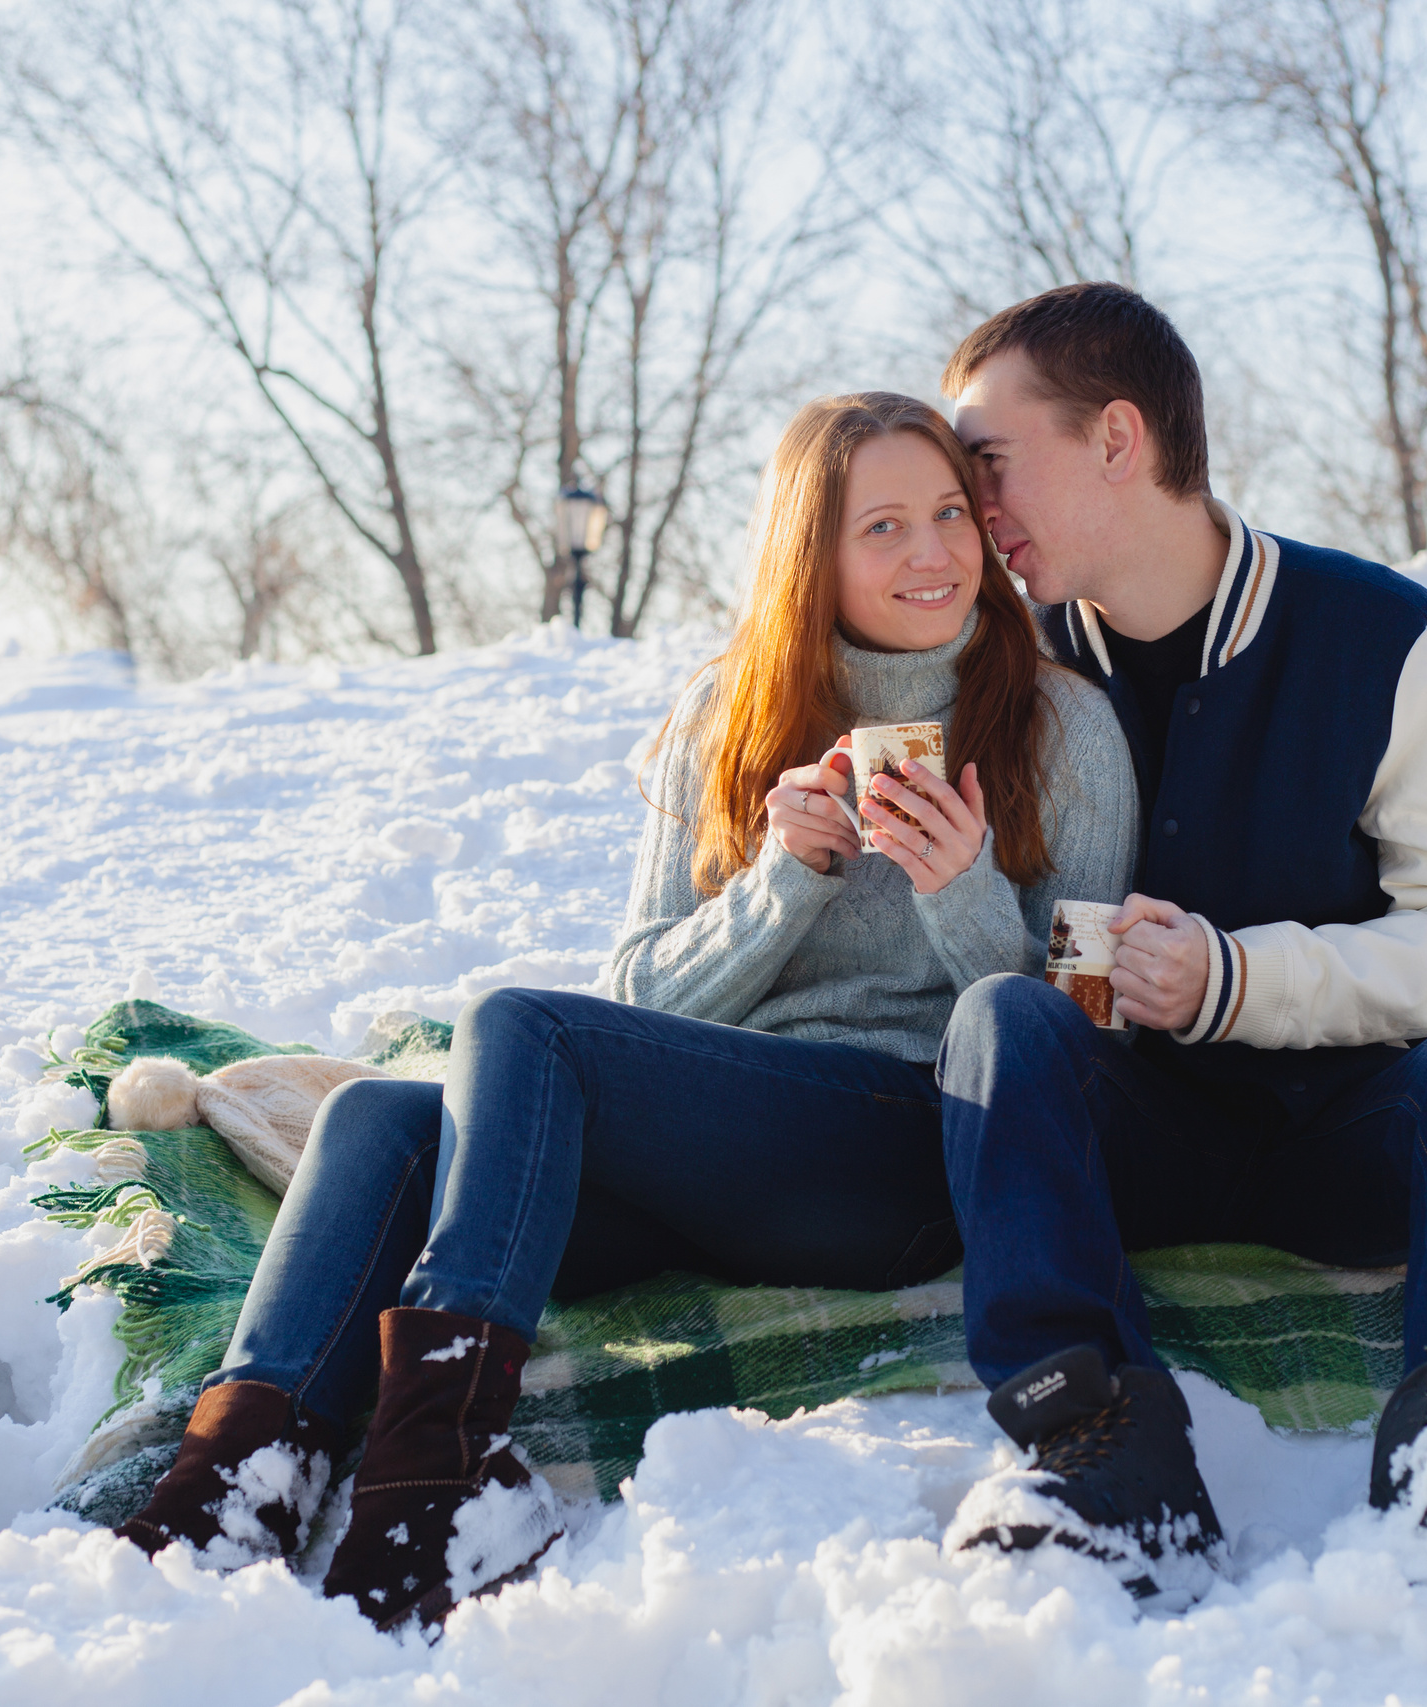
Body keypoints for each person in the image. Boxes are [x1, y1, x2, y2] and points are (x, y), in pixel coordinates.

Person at [111, 392, 1140, 1631]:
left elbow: (1086, 1029)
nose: (932, 554)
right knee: (383, 1121)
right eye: (882, 527)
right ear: (808, 552)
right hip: (718, 1155)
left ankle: (440, 1464)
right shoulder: (732, 715)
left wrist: (962, 891)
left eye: (946, 516)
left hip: (905, 1152)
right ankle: (241, 1476)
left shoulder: (1069, 726)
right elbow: (641, 992)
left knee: (516, 1024)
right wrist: (779, 890)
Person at [930, 283, 1427, 1600]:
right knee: (999, 1026)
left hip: (1350, 1138)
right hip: (1128, 1138)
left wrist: (1236, 977)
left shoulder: (1381, 634)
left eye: (991, 461)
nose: (975, 508)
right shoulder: (1005, 664)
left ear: (1117, 439)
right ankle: (1098, 1444)